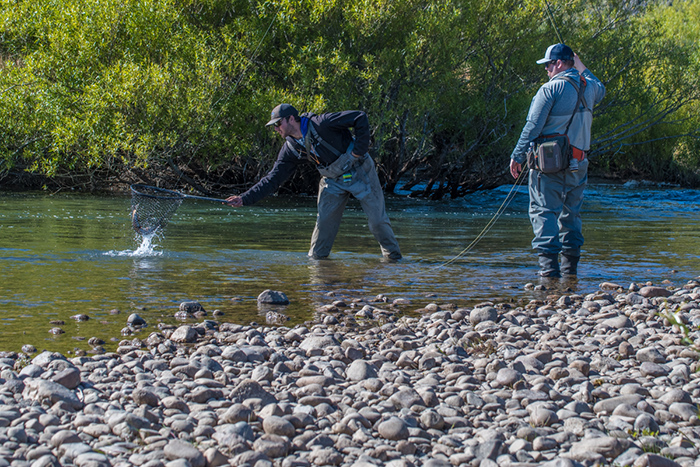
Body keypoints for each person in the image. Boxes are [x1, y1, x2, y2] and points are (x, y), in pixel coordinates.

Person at [226, 104, 402, 260]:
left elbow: (359, 117)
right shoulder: (290, 149)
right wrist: (244, 199)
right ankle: (317, 274)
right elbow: (273, 179)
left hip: (360, 171)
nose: (276, 129)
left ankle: (394, 262)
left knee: (377, 222)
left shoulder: (321, 123)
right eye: (274, 126)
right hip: (332, 180)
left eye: (278, 123)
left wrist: (359, 150)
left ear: (291, 119)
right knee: (322, 229)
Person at [509, 44, 606, 277]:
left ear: (559, 64)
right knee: (571, 215)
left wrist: (517, 155)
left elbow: (532, 127)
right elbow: (600, 85)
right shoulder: (590, 87)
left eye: (548, 65)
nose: (547, 70)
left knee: (543, 212)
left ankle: (549, 274)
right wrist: (579, 63)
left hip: (549, 166)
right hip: (579, 165)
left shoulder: (550, 89)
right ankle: (570, 274)